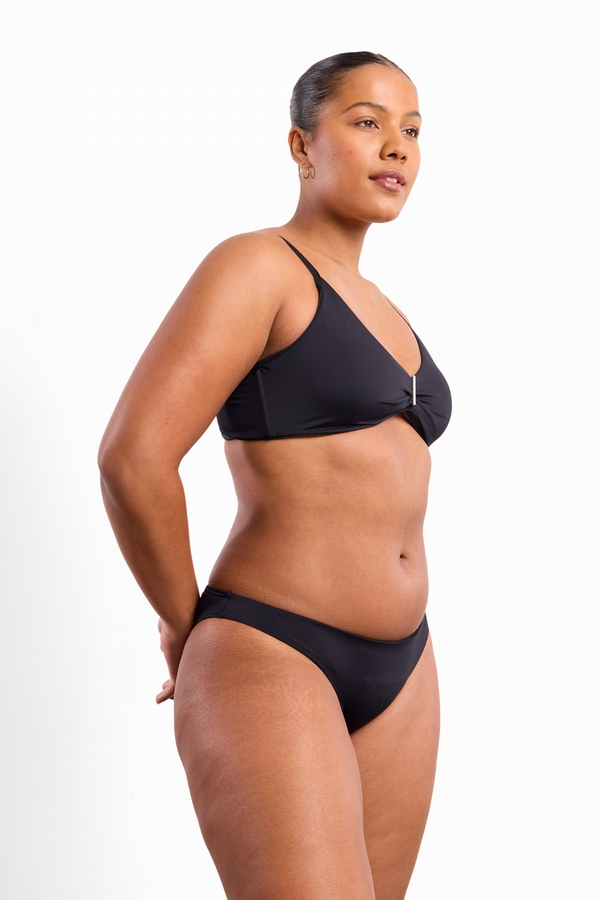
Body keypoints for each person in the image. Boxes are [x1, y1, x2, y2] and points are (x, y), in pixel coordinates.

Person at [98, 51, 452, 900]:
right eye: (367, 122)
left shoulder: (387, 309)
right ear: (301, 145)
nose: (396, 147)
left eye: (411, 131)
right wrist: (182, 622)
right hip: (273, 649)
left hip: (405, 666)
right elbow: (133, 457)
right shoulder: (257, 266)